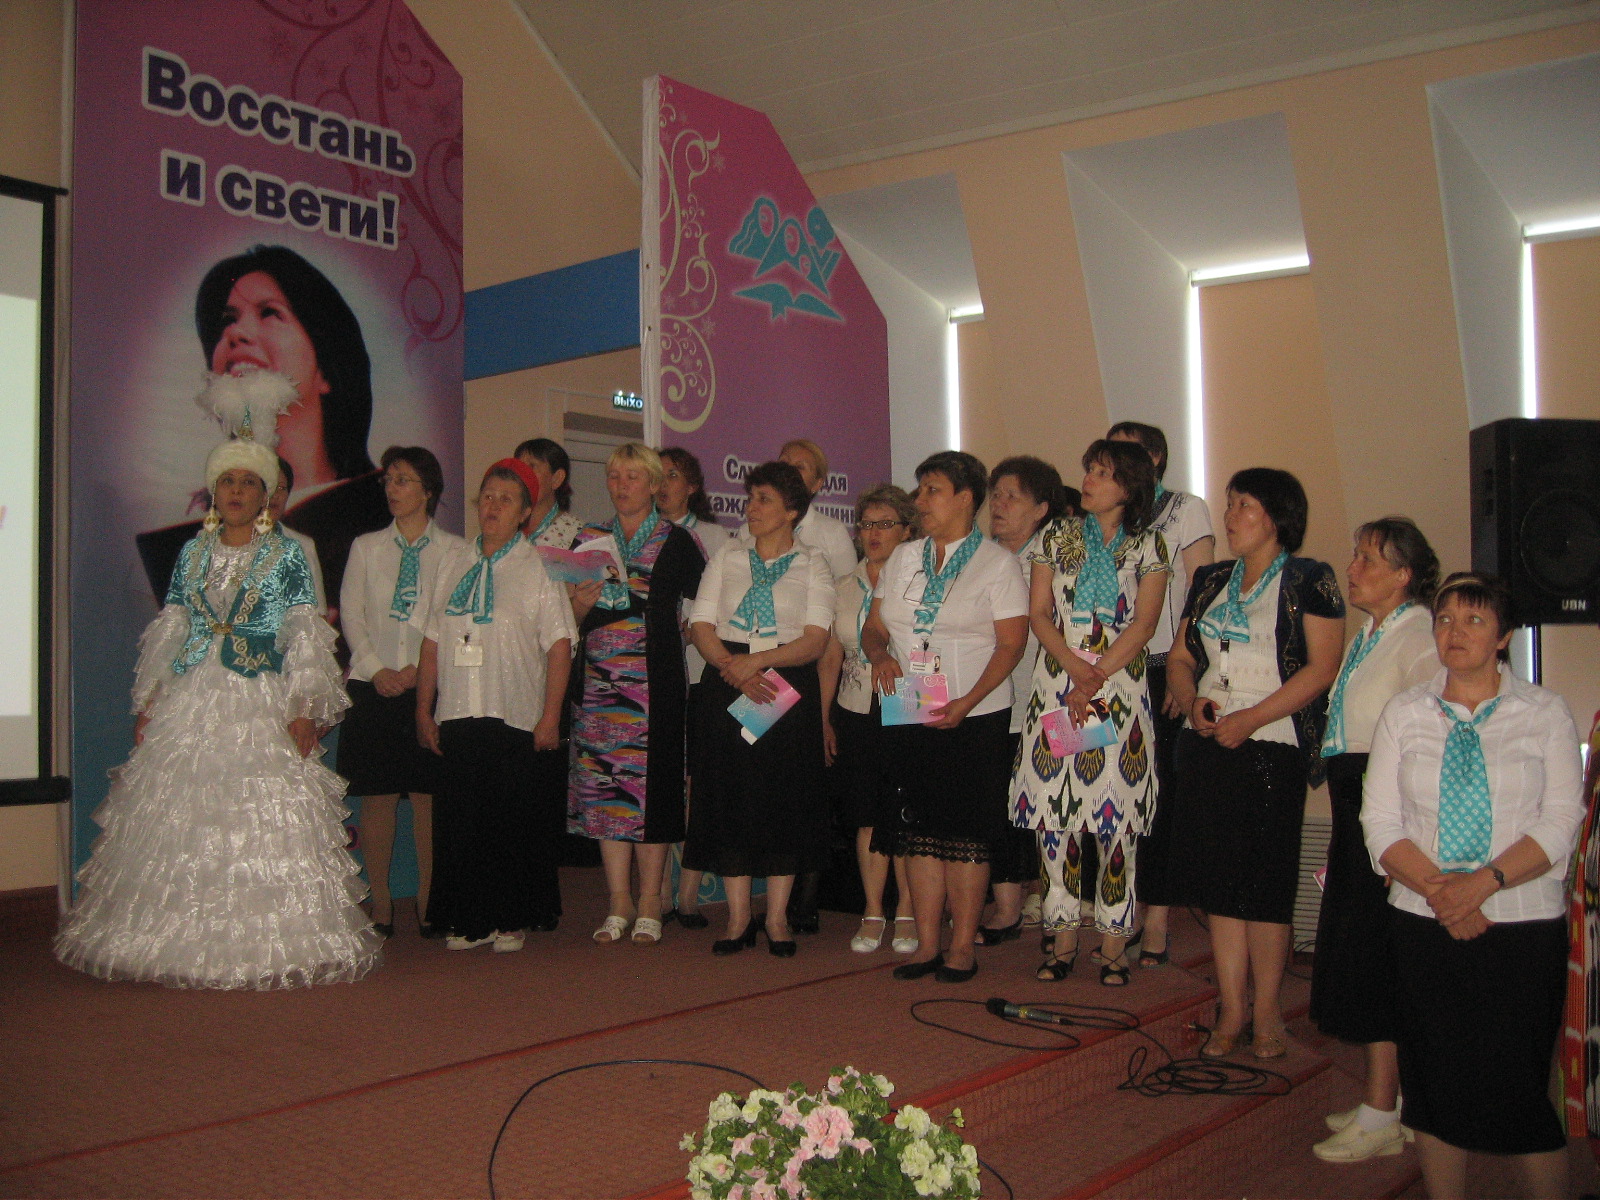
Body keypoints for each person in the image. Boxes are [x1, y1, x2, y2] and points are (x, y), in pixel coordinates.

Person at [56, 405, 380, 988]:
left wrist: (304, 707)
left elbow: (304, 630)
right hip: (194, 696)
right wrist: (151, 699)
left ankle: (266, 945)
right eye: (227, 480)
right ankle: (176, 943)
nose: (236, 491)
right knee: (185, 820)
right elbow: (174, 625)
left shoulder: (286, 555)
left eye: (248, 482)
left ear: (265, 495)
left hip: (260, 696)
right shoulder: (193, 553)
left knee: (260, 818)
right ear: (213, 490)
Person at [1362, 573, 1584, 1199]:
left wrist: (1481, 885)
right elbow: (1379, 823)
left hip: (1520, 925)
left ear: (1505, 636)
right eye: (1445, 619)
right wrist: (1446, 894)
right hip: (1422, 921)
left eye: (1474, 620)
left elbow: (1560, 822)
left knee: (1517, 1091)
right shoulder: (1405, 712)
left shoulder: (1544, 712)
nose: (1454, 632)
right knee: (1432, 1088)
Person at [1166, 468, 1344, 1058]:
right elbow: (1182, 655)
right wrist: (1191, 700)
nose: (1230, 515)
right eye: (1229, 503)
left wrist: (1252, 718)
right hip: (1208, 743)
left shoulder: (1310, 578)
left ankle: (1267, 1011)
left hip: (1272, 745)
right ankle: (1231, 1008)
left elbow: (1321, 669)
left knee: (1265, 886)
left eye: (1243, 505)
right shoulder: (1212, 578)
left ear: (1276, 516)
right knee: (1220, 885)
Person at [137, 245, 390, 607]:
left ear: (326, 368)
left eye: (270, 313)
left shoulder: (382, 514)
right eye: (227, 320)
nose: (236, 333)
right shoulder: (181, 548)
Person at [862, 451, 1028, 984]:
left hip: (973, 713)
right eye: (920, 489)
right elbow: (874, 627)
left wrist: (969, 701)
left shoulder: (997, 564)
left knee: (965, 836)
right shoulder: (903, 557)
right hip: (910, 703)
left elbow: (1011, 644)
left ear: (965, 498)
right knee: (917, 832)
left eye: (932, 490)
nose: (920, 501)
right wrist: (879, 656)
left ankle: (961, 947)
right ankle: (927, 945)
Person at [1011, 441, 1169, 986]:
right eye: (1089, 470)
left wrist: (1096, 674)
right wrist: (1076, 671)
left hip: (1117, 692)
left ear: (1129, 487)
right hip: (1060, 684)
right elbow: (1038, 613)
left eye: (1102, 473)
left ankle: (1114, 944)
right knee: (1056, 818)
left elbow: (1144, 625)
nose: (1089, 479)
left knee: (1114, 820)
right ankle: (1061, 941)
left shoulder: (1148, 544)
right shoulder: (1055, 536)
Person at [1308, 518, 1440, 1162]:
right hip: (1357, 805)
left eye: (1367, 559)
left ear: (1403, 575)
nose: (1352, 568)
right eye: (1355, 555)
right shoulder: (1373, 633)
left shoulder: (1418, 636)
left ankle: (1383, 1110)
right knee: (1365, 955)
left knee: (1378, 961)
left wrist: (1403, 837)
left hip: (1387, 813)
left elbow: (1429, 734)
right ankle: (1390, 1102)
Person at [415, 459, 575, 953]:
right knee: (461, 820)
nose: (493, 506)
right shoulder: (453, 560)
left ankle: (510, 917)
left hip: (514, 711)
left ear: (525, 512)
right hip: (459, 710)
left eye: (506, 500)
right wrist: (423, 709)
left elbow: (560, 645)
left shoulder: (538, 567)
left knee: (509, 820)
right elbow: (431, 640)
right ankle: (468, 918)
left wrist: (550, 716)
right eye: (487, 496)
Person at [683, 461, 835, 956]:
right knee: (731, 797)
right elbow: (701, 624)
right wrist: (734, 667)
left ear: (792, 510)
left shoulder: (813, 563)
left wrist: (759, 663)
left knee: (783, 798)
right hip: (728, 678)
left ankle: (777, 917)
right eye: (750, 498)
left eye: (764, 499)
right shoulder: (727, 554)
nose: (751, 507)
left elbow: (815, 639)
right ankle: (737, 917)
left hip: (785, 682)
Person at [567, 443, 706, 945]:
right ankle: (618, 901)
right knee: (605, 789)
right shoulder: (587, 539)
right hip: (598, 683)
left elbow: (708, 602)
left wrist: (690, 630)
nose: (621, 485)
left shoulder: (678, 540)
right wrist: (579, 608)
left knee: (654, 791)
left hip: (656, 685)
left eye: (632, 476)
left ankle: (650, 899)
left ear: (653, 485)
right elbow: (565, 618)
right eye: (614, 476)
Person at [339, 446, 465, 939]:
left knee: (428, 796)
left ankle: (431, 901)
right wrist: (376, 670)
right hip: (374, 686)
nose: (392, 489)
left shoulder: (454, 550)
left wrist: (419, 672)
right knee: (378, 796)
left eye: (404, 480)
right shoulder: (366, 547)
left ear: (428, 491)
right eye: (389, 480)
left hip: (430, 685)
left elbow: (453, 619)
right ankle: (383, 903)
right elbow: (351, 615)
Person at [1106, 420, 1214, 966]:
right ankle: (1120, 907)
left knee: (1160, 797)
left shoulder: (1185, 509)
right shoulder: (1108, 519)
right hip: (1112, 671)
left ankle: (1158, 918)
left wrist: (1181, 666)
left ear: (1154, 459)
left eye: (1124, 453)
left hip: (1162, 667)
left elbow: (1202, 591)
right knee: (1115, 792)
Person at [819, 485, 917, 953]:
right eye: (866, 524)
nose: (873, 533)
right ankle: (873, 910)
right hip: (855, 705)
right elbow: (830, 658)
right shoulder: (842, 586)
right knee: (865, 813)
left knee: (906, 809)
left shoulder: (921, 581)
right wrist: (823, 718)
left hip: (910, 701)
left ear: (907, 531)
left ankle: (908, 911)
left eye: (885, 524)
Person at [978, 456, 1070, 946]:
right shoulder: (979, 558)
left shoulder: (1062, 557)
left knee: (1058, 805)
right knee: (1001, 806)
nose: (999, 504)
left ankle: (1062, 909)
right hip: (993, 702)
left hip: (1056, 700)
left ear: (1041, 509)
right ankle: (1008, 906)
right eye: (995, 494)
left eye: (1011, 496)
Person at [657, 446, 731, 928]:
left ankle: (688, 892)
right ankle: (657, 894)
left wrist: (700, 628)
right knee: (662, 782)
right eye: (656, 475)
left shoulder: (715, 537)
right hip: (656, 679)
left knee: (697, 784)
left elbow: (730, 601)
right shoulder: (639, 536)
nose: (663, 484)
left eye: (672, 475)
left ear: (693, 486)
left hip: (701, 674)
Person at [776, 438, 858, 582]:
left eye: (800, 467)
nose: (788, 471)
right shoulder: (749, 530)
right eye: (784, 463)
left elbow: (848, 590)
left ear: (817, 484)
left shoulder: (833, 532)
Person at [271, 456, 327, 616]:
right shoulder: (221, 540)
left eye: (281, 488)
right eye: (269, 486)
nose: (275, 495)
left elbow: (319, 613)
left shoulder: (303, 545)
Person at [515, 437, 584, 549]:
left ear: (556, 479)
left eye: (532, 466)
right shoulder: (505, 529)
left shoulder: (578, 534)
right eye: (519, 468)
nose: (522, 474)